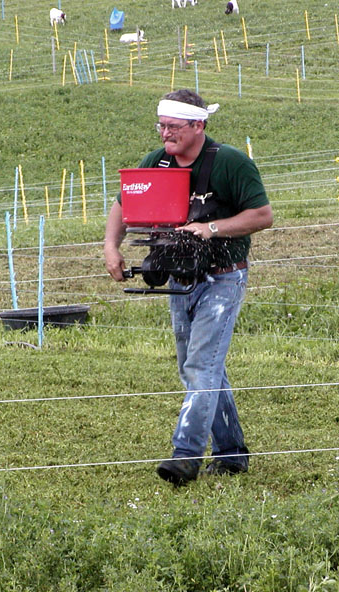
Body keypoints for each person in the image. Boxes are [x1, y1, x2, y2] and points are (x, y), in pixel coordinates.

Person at [104, 89, 273, 486]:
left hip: (223, 276)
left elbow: (262, 215)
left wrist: (211, 228)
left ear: (198, 125)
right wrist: (110, 247)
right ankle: (232, 454)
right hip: (180, 279)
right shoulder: (157, 162)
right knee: (199, 366)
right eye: (161, 126)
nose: (165, 133)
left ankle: (186, 455)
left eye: (173, 127)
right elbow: (123, 205)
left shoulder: (229, 163)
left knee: (200, 365)